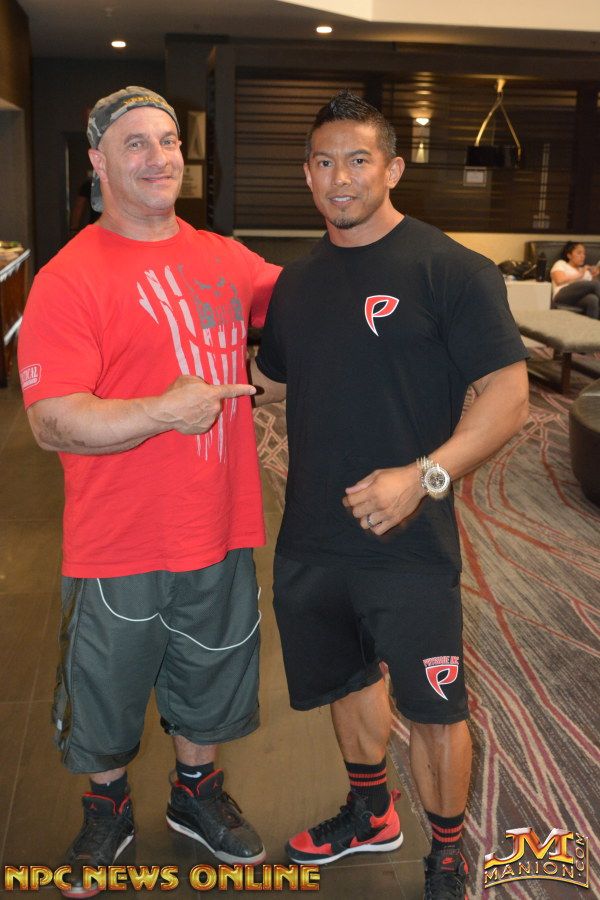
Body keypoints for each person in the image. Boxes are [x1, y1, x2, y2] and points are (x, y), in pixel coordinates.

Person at [251, 91, 529, 900]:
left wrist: (424, 476)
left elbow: (508, 398)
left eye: (359, 160)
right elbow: (271, 380)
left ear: (393, 168)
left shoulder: (452, 270)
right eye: (325, 162)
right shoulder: (298, 283)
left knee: (435, 706)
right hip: (313, 533)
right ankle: (371, 811)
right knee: (345, 679)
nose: (340, 178)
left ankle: (445, 854)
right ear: (307, 174)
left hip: (410, 540)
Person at [18, 86, 281, 897]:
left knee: (214, 673)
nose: (159, 157)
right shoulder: (68, 278)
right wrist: (164, 410)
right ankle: (107, 810)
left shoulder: (225, 259)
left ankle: (196, 794)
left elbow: (312, 310)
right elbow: (52, 422)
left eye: (168, 141)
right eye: (135, 143)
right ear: (98, 160)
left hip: (223, 522)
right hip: (119, 536)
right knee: (105, 688)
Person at [550, 241, 600, 318]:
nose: (582, 256)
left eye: (584, 254)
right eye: (579, 253)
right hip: (561, 295)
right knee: (595, 284)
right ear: (569, 255)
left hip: (577, 299)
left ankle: (591, 325)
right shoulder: (561, 264)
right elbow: (559, 280)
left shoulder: (586, 271)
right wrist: (581, 274)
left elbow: (593, 288)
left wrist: (595, 275)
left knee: (593, 299)